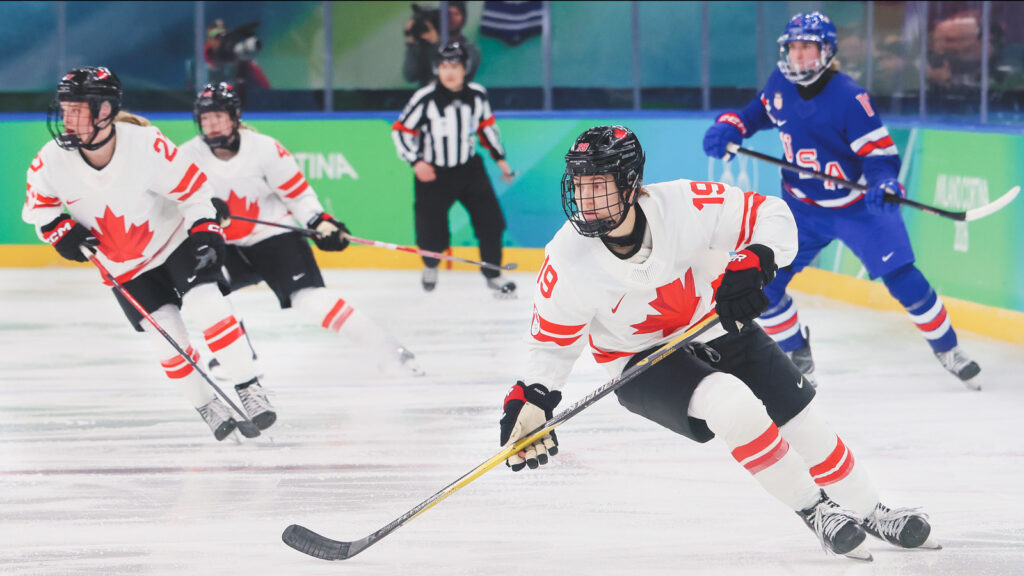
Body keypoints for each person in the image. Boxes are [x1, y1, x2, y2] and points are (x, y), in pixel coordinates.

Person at [498, 125, 939, 559]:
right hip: (637, 360)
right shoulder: (567, 258)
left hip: (714, 324)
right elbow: (551, 346)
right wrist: (534, 397)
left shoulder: (684, 204)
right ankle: (816, 509)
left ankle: (870, 509)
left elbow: (773, 214)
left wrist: (757, 257)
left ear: (631, 184)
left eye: (599, 185)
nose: (587, 200)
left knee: (803, 420)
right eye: (579, 184)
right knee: (731, 405)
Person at [702, 11, 981, 390]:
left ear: (826, 51)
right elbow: (751, 116)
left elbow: (879, 156)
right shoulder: (779, 83)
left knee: (904, 279)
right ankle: (798, 351)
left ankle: (949, 350)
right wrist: (728, 127)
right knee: (763, 287)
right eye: (793, 48)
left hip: (858, 209)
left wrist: (885, 184)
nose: (799, 57)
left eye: (807, 48)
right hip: (801, 208)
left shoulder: (850, 97)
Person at [22, 67, 274, 442]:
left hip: (173, 243)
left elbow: (193, 192)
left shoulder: (145, 144)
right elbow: (39, 211)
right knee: (165, 337)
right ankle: (207, 404)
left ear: (106, 110)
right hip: (122, 266)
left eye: (80, 109)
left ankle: (248, 387)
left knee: (207, 305)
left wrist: (205, 231)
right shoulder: (50, 161)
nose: (69, 120)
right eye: (66, 109)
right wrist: (62, 232)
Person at [179, 82, 424, 377]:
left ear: (234, 117)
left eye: (218, 116)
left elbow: (297, 195)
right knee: (203, 292)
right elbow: (174, 202)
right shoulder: (186, 156)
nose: (212, 125)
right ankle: (234, 353)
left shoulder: (265, 149)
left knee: (311, 301)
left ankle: (388, 349)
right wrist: (202, 209)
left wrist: (319, 221)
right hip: (224, 245)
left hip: (274, 239)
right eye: (205, 119)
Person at [392, 41, 516, 295]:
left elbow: (486, 128)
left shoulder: (477, 95)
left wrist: (500, 159)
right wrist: (416, 161)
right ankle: (430, 264)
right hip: (433, 173)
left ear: (464, 68)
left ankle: (493, 274)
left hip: (468, 170)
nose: (449, 72)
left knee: (492, 222)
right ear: (437, 69)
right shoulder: (424, 98)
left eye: (455, 66)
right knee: (431, 230)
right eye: (444, 66)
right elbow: (401, 131)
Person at [403, 1, 481, 87]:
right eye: (447, 14)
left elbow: (465, 71)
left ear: (463, 18)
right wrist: (411, 44)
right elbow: (410, 76)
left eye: (456, 14)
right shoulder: (427, 47)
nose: (451, 18)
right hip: (429, 98)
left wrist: (437, 43)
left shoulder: (469, 49)